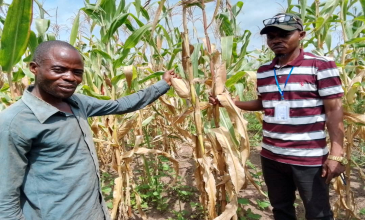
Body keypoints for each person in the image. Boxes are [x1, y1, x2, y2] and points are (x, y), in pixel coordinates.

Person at [0, 40, 178, 220]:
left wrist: (162, 84)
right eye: (59, 70)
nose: (70, 78)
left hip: (94, 212)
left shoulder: (78, 103)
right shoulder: (14, 122)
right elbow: (4, 196)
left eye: (77, 72)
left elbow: (119, 105)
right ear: (34, 68)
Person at [210, 13, 346, 220]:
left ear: (301, 35)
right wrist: (230, 102)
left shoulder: (320, 65)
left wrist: (336, 153)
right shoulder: (265, 71)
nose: (276, 40)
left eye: (284, 34)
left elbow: (334, 109)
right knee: (281, 210)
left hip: (308, 158)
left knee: (318, 213)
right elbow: (265, 103)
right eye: (271, 36)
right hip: (271, 156)